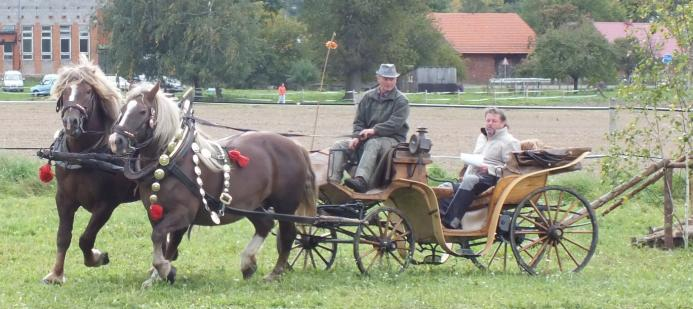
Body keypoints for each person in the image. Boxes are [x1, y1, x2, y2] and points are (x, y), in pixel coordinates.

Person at [328, 64, 410, 193]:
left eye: (392, 79)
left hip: (393, 140)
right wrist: (356, 137)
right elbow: (359, 121)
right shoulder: (368, 97)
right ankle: (333, 183)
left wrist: (374, 130)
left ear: (396, 80)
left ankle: (361, 180)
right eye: (385, 78)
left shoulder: (401, 101)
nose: (389, 82)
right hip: (368, 137)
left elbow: (395, 124)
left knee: (373, 143)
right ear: (378, 78)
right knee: (339, 146)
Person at [440, 107, 520, 229]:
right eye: (488, 120)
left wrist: (489, 169)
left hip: (493, 179)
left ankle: (452, 222)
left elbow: (512, 169)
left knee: (470, 180)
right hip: (474, 176)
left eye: (494, 121)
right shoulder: (482, 138)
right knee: (444, 188)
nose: (490, 124)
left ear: (503, 123)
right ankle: (442, 220)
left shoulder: (510, 142)